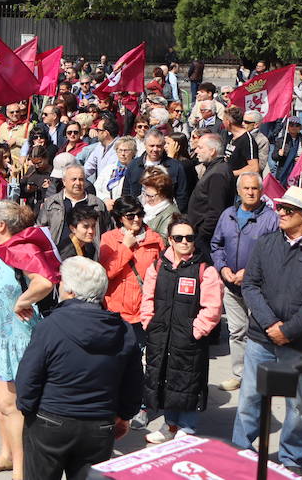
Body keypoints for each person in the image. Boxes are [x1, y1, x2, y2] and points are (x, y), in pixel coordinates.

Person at [15, 257, 142, 480]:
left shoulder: (50, 326)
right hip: (99, 424)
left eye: (62, 281)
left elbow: (28, 379)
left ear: (71, 291)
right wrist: (124, 415)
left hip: (51, 420)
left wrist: (28, 410)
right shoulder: (123, 330)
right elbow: (133, 383)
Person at [231, 187, 302, 474]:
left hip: (299, 344)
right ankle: (241, 451)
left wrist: (289, 330)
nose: (281, 213)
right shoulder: (266, 242)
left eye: (289, 209)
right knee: (250, 397)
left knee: (297, 405)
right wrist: (271, 325)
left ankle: (291, 458)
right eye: (281, 207)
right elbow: (250, 285)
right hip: (262, 339)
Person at [0, 200, 59, 476]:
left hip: (14, 338)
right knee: (0, 400)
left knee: (11, 405)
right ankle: (6, 454)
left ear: (1, 225)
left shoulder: (22, 248)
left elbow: (44, 281)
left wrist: (22, 301)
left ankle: (22, 467)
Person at [139, 215, 224, 444]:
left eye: (189, 237)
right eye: (179, 237)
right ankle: (170, 425)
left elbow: (213, 307)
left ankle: (187, 427)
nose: (185, 241)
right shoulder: (158, 266)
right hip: (161, 335)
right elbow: (147, 297)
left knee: (187, 381)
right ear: (170, 240)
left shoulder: (205, 270)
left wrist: (197, 330)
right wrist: (149, 321)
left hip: (189, 339)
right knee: (166, 378)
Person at [208, 172, 279, 392]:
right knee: (237, 331)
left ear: (262, 191)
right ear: (238, 191)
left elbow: (274, 254)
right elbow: (216, 244)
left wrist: (248, 272)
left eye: (254, 188)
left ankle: (260, 376)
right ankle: (239, 374)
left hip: (258, 287)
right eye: (246, 188)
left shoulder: (271, 219)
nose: (250, 192)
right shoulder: (228, 214)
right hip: (231, 285)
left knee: (260, 333)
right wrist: (223, 268)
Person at [100, 195, 165, 339]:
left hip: (146, 311)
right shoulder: (108, 238)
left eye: (139, 214)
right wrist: (125, 247)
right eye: (130, 216)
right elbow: (107, 273)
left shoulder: (155, 239)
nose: (136, 219)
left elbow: (163, 275)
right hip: (117, 311)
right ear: (120, 218)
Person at [35, 164, 109, 259]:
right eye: (74, 179)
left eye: (81, 179)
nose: (78, 183)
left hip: (90, 260)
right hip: (58, 257)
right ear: (64, 181)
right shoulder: (51, 203)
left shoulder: (97, 204)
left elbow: (106, 231)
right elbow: (40, 230)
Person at [185, 132, 233, 244]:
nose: (196, 151)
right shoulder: (215, 168)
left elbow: (216, 211)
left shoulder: (218, 173)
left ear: (212, 151)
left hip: (206, 239)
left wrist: (202, 235)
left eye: (200, 148)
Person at [140, 169, 180, 241]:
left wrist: (138, 237)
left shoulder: (172, 215)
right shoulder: (147, 208)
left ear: (163, 195)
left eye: (151, 196)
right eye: (146, 195)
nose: (147, 199)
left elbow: (164, 241)